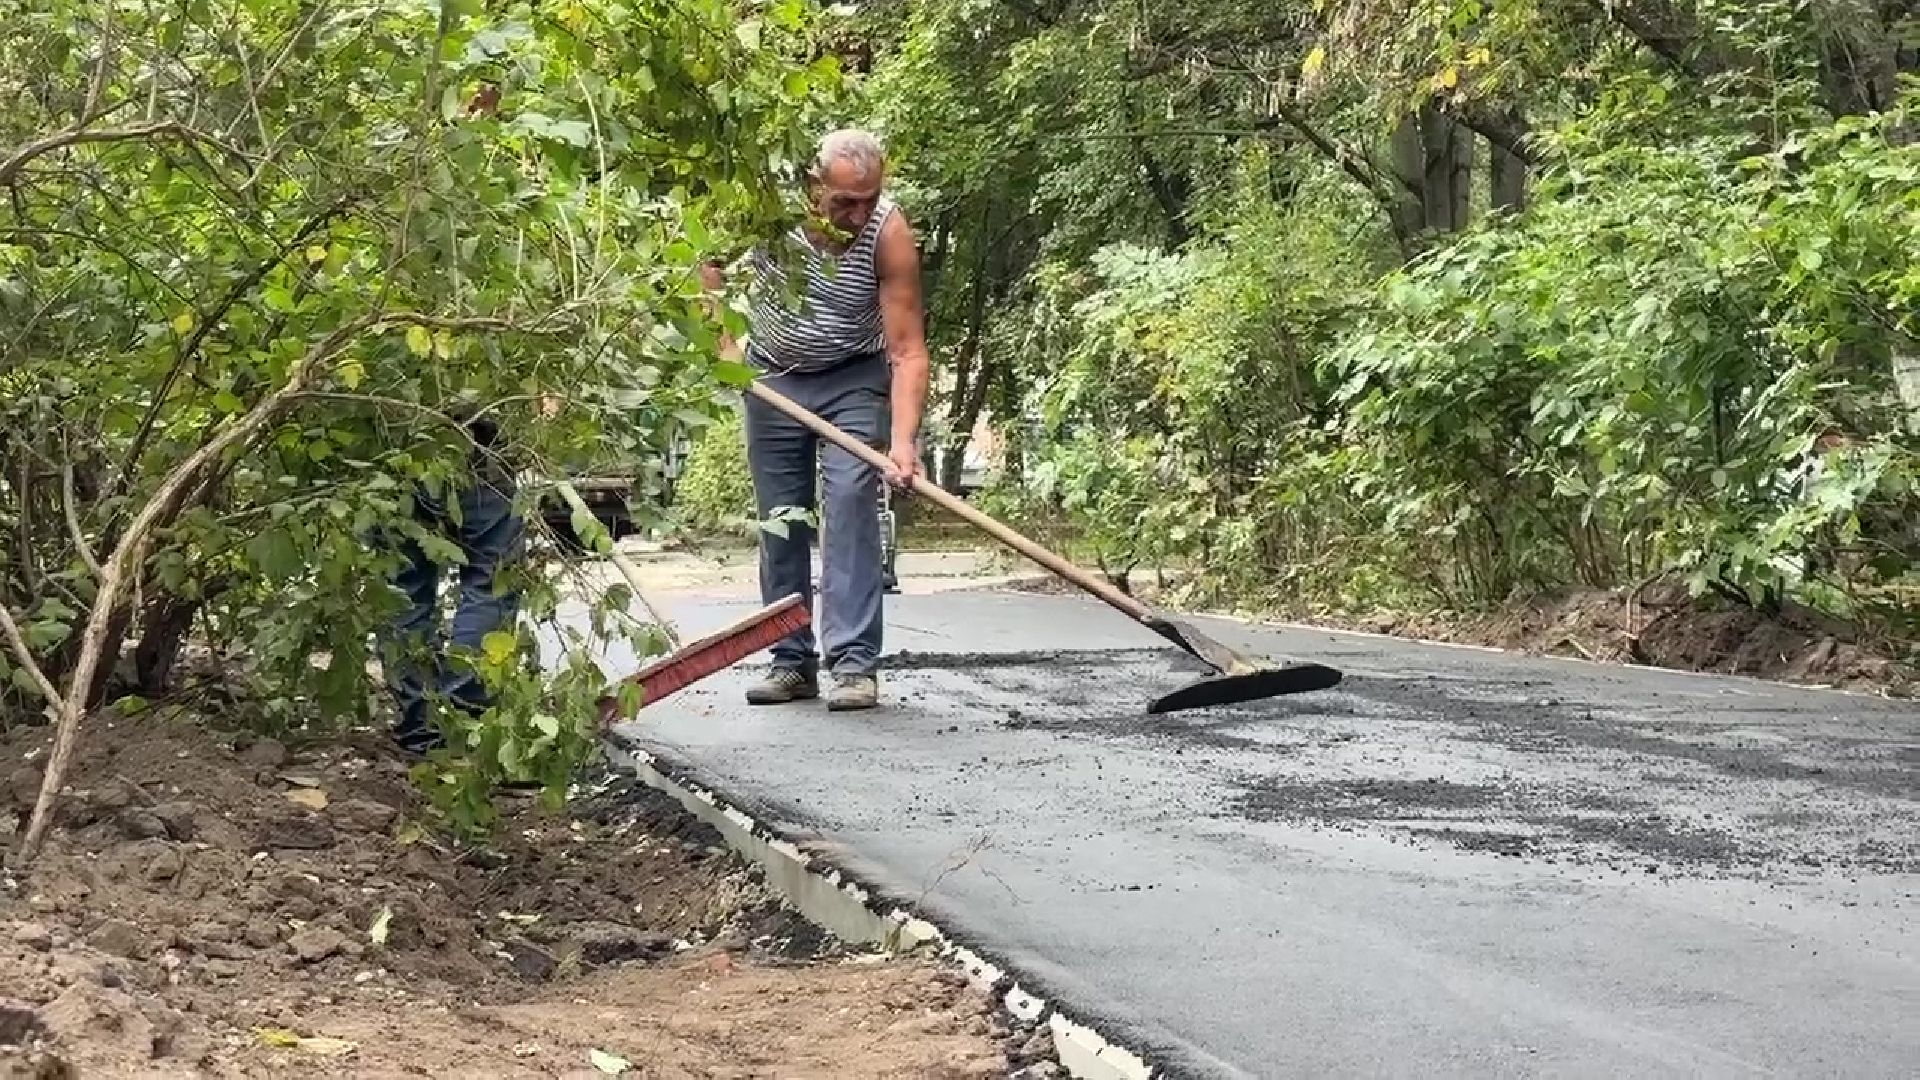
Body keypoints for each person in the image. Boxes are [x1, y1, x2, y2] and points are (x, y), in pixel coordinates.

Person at [702, 128, 931, 711]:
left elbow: (906, 351)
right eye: (843, 203)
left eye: (868, 200)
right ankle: (790, 659)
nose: (857, 215)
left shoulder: (889, 233)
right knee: (782, 519)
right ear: (812, 187)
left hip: (853, 377)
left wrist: (903, 443)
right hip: (773, 378)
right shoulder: (767, 210)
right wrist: (726, 347)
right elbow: (706, 264)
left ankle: (854, 664)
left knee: (853, 498)